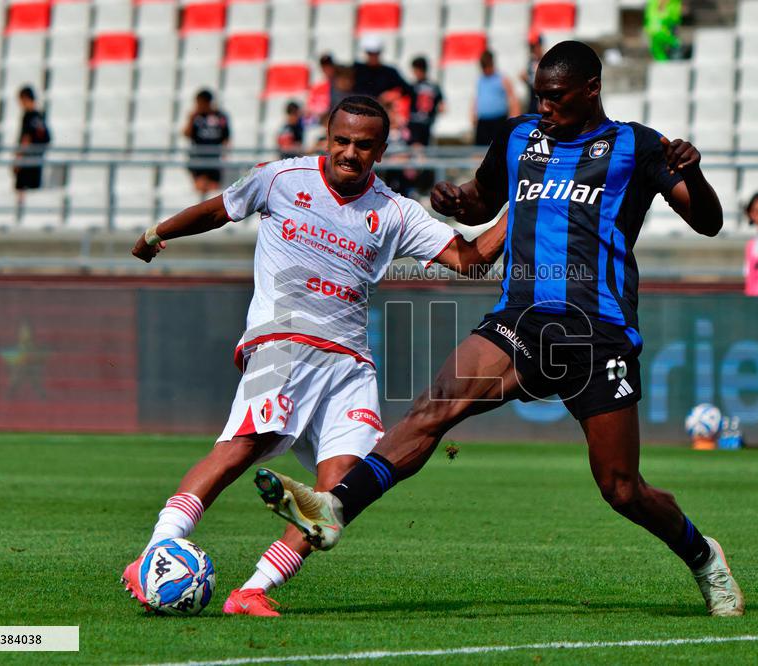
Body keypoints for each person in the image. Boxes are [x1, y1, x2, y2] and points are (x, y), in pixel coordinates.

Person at [255, 41, 746, 618]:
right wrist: (453, 198)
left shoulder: (637, 145)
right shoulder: (519, 138)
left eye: (557, 97)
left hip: (598, 332)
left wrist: (695, 172)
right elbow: (480, 203)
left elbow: (708, 223)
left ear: (592, 89)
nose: (545, 106)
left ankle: (701, 555)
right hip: (521, 318)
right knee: (434, 407)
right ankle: (334, 508)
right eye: (539, 94)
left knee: (621, 489)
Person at [120, 95, 508, 617]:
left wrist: (527, 203)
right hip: (283, 343)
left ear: (382, 150)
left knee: (338, 495)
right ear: (326, 137)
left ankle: (252, 590)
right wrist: (156, 233)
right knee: (241, 447)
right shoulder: (282, 179)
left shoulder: (393, 212)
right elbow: (218, 209)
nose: (350, 153)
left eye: (363, 146)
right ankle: (153, 555)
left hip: (350, 363)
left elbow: (475, 259)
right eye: (341, 141)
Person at [184, 89, 230, 196]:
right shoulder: (195, 117)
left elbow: (226, 137)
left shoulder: (220, 116)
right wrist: (191, 118)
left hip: (214, 158)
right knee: (199, 188)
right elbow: (186, 134)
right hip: (198, 158)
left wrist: (223, 153)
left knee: (214, 191)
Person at [473, 50, 520, 146]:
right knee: (479, 151)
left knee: (499, 149)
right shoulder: (480, 80)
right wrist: (473, 113)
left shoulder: (502, 78)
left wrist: (513, 120)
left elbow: (513, 99)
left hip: (498, 121)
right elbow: (477, 98)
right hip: (483, 122)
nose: (485, 69)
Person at [13, 86, 50, 199]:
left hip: (26, 161)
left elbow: (26, 138)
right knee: (34, 196)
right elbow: (47, 138)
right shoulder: (39, 116)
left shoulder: (28, 116)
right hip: (37, 161)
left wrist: (18, 158)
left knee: (22, 195)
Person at [352, 35, 410, 100]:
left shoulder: (389, 72)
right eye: (370, 53)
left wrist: (393, 94)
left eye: (376, 53)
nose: (373, 56)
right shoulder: (356, 70)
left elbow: (408, 89)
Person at [407, 56, 444, 148]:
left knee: (416, 148)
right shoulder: (434, 86)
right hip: (427, 123)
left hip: (415, 122)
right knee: (424, 148)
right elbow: (442, 106)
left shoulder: (413, 86)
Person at [306, 53, 337, 123]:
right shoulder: (316, 87)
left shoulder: (341, 86)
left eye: (328, 65)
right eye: (324, 66)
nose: (327, 69)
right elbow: (310, 108)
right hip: (320, 121)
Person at [520, 36, 544, 114]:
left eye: (535, 47)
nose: (534, 50)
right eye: (532, 48)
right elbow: (526, 76)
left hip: (543, 97)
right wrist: (526, 79)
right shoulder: (531, 62)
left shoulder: (546, 60)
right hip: (533, 97)